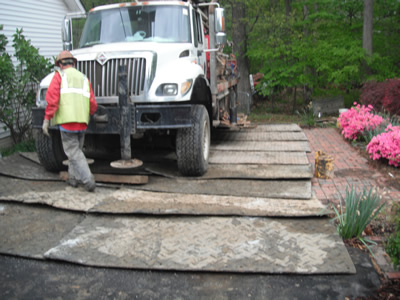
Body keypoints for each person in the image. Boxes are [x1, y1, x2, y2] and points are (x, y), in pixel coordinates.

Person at [42, 50, 97, 192]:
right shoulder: (83, 78)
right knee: (75, 151)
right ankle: (73, 178)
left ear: (60, 64)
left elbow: (52, 100)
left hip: (67, 122)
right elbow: (92, 103)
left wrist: (47, 119)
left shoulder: (59, 76)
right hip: (82, 122)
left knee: (73, 152)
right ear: (73, 63)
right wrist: (89, 115)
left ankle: (87, 179)